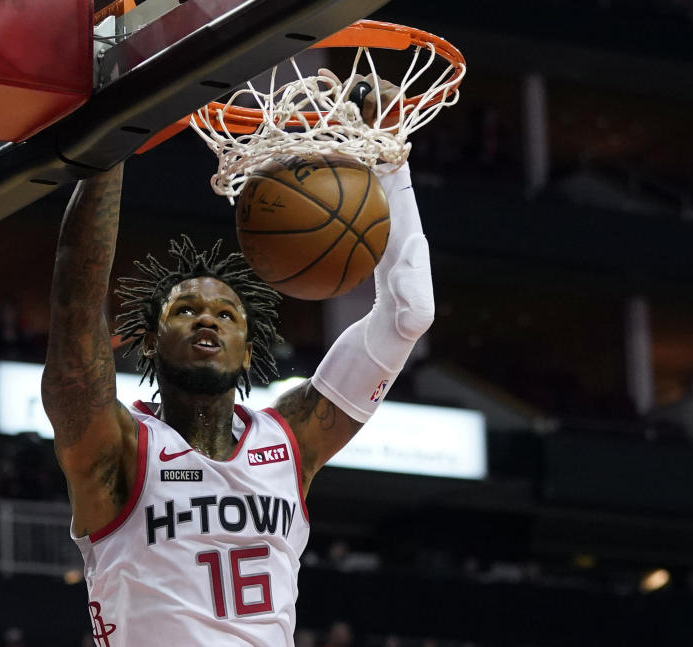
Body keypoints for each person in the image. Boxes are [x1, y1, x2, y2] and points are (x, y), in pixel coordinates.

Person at [42, 75, 434, 646]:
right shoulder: (119, 449)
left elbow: (408, 314)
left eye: (226, 314)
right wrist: (113, 139)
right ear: (149, 342)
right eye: (186, 311)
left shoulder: (291, 444)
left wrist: (390, 161)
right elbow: (75, 317)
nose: (207, 319)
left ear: (249, 350)